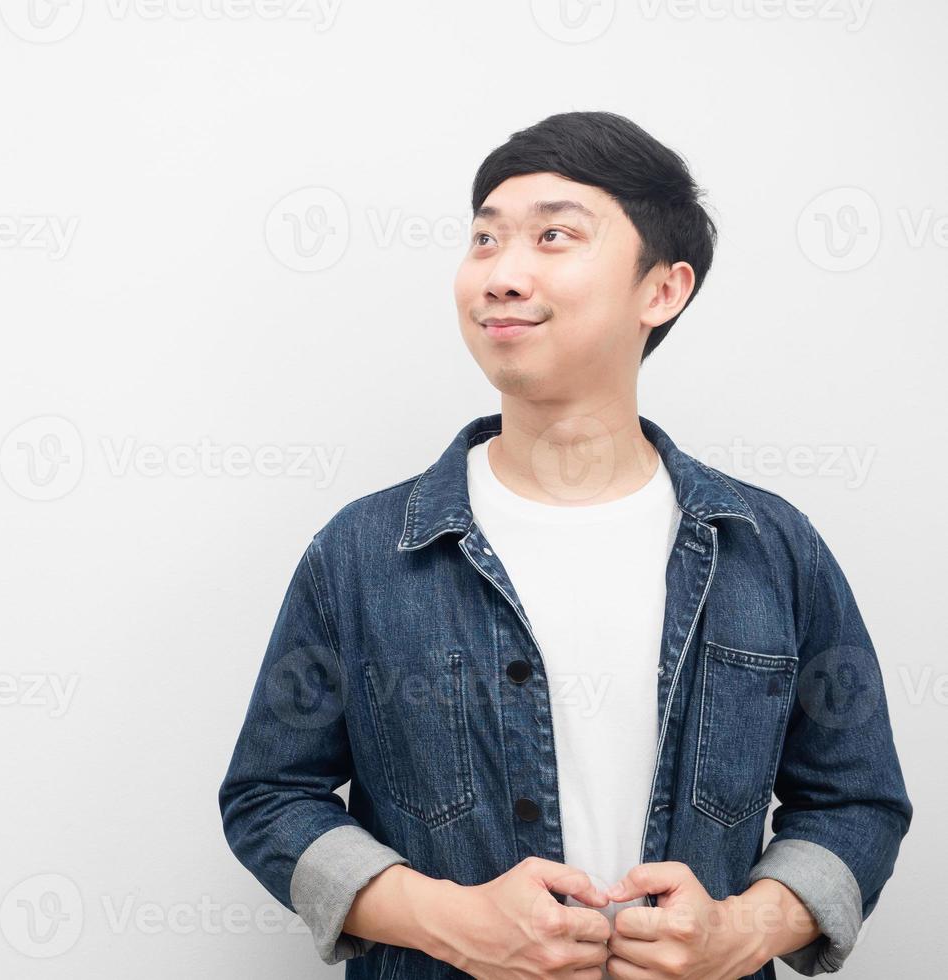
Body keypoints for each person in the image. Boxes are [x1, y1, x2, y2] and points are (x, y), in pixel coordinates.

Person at [218, 110, 912, 980]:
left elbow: (856, 801)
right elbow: (269, 797)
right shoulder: (362, 553)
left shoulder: (768, 548)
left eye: (554, 236)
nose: (502, 275)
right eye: (483, 240)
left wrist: (743, 932)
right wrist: (447, 920)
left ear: (661, 291)